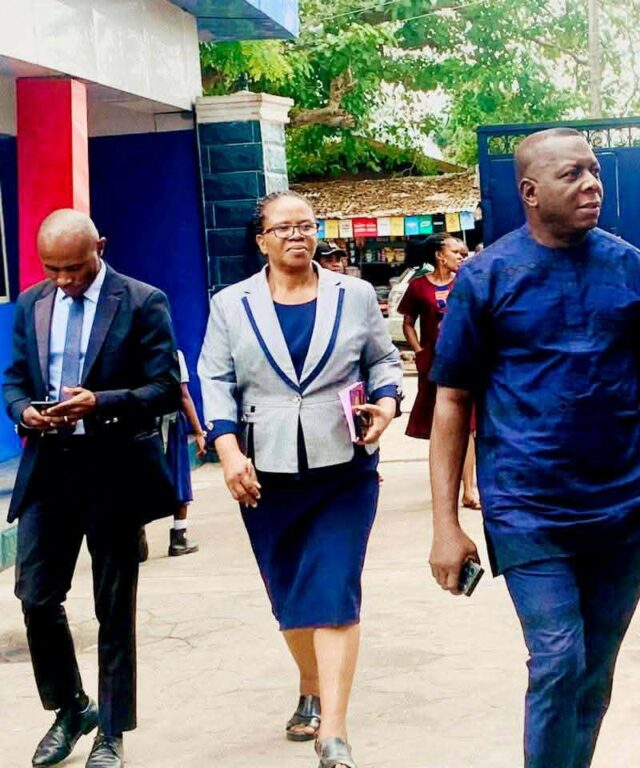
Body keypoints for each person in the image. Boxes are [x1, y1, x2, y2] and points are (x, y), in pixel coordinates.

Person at [428, 128, 640, 767]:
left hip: (622, 513)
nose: (592, 185)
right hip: (528, 509)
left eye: (594, 172)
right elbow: (452, 401)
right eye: (572, 175)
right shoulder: (487, 277)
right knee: (559, 659)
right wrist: (445, 525)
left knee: (594, 672)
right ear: (530, 192)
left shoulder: (633, 268)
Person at [199, 190, 402, 768]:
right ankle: (310, 685)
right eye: (283, 228)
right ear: (261, 240)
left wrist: (387, 404)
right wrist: (228, 451)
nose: (297, 236)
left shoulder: (353, 295)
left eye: (306, 226)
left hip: (344, 466)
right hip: (264, 473)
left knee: (334, 587)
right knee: (288, 595)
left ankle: (333, 732)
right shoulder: (231, 304)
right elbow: (216, 380)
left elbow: (383, 360)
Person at [3, 210, 180, 768]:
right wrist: (24, 411)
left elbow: (165, 388)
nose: (64, 281)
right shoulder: (31, 304)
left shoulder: (142, 301)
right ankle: (71, 707)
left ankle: (111, 731)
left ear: (99, 247)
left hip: (115, 471)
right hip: (49, 469)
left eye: (74, 269)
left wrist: (100, 402)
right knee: (35, 596)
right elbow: (14, 380)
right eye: (52, 269)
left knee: (113, 607)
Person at [398, 234, 480, 509]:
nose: (461, 257)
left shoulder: (467, 282)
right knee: (441, 426)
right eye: (456, 252)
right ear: (439, 255)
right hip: (433, 366)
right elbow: (408, 322)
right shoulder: (418, 286)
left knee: (469, 426)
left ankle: (469, 489)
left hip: (465, 363)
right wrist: (419, 350)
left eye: (463, 253)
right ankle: (445, 488)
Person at [165, 350, 205, 556]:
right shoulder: (173, 354)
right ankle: (179, 537)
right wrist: (198, 431)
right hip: (171, 424)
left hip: (141, 425)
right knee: (179, 478)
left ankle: (137, 539)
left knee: (140, 480)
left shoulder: (131, 350)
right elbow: (184, 396)